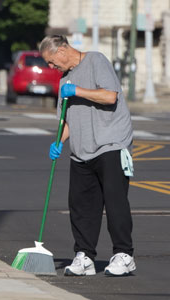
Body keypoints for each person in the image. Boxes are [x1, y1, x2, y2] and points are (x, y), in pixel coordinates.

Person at [39, 35, 136, 276]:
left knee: (115, 202)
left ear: (62, 50)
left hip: (111, 144)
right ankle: (84, 256)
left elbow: (109, 96)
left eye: (52, 62)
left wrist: (78, 90)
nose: (52, 67)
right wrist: (58, 142)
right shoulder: (64, 81)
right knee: (81, 207)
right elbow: (66, 121)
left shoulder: (96, 61)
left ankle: (124, 255)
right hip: (81, 151)